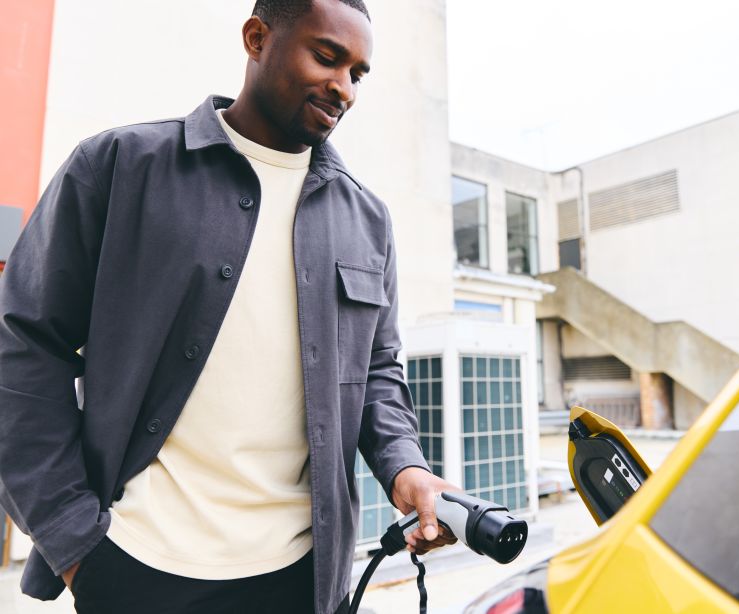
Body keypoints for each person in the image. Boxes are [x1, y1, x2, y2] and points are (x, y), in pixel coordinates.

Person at [0, 0, 458, 612]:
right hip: (135, 564)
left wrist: (406, 468)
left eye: (357, 73)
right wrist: (73, 539)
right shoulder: (120, 166)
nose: (343, 87)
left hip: (302, 577)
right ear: (256, 37)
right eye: (327, 57)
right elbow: (24, 343)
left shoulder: (366, 221)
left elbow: (377, 371)